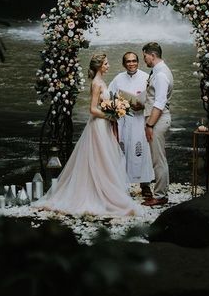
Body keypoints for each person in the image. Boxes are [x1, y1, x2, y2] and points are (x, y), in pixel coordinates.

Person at [33, 52, 139, 217]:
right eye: (105, 63)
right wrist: (111, 115)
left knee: (103, 159)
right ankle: (97, 194)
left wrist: (115, 109)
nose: (108, 66)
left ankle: (101, 192)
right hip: (98, 125)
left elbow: (103, 105)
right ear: (99, 66)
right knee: (100, 158)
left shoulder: (101, 81)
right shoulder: (97, 83)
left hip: (104, 125)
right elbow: (92, 109)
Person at [108, 52, 154, 198]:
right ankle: (122, 185)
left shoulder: (146, 77)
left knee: (143, 151)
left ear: (138, 62)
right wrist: (119, 105)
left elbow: (154, 99)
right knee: (123, 150)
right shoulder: (118, 79)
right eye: (128, 61)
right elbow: (109, 98)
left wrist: (143, 106)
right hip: (124, 120)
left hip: (140, 120)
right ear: (124, 64)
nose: (131, 64)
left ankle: (145, 184)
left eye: (134, 61)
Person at [142, 42, 173, 207]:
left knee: (158, 160)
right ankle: (161, 192)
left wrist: (149, 125)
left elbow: (159, 103)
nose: (144, 60)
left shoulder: (161, 74)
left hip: (158, 121)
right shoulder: (159, 71)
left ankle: (160, 196)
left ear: (152, 55)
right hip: (158, 119)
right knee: (159, 158)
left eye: (145, 56)